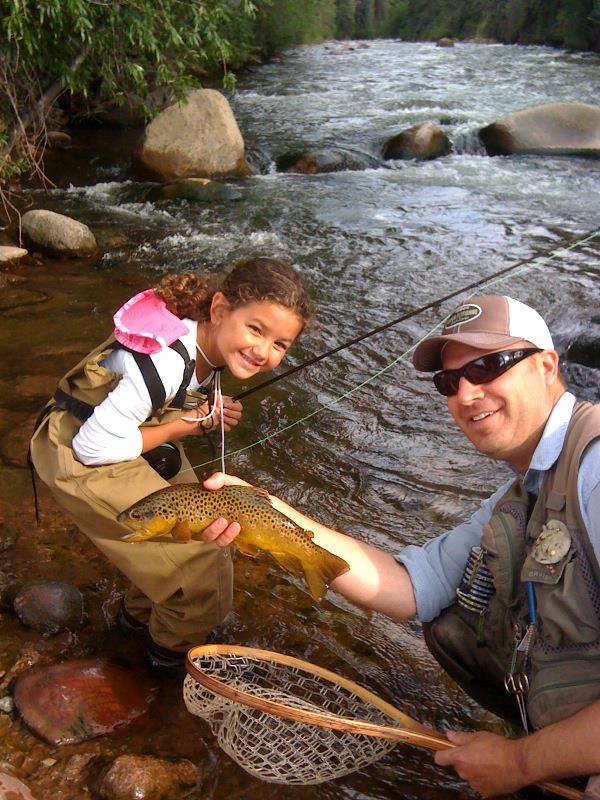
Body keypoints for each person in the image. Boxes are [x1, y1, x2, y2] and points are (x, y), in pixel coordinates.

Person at [196, 294, 600, 797]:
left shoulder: (595, 471)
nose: (467, 393)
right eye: (449, 382)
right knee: (452, 625)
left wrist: (518, 762)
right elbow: (414, 588)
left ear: (546, 366)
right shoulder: (523, 494)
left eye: (489, 365)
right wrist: (265, 513)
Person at [29, 257, 311, 672]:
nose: (264, 351)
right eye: (256, 329)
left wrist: (207, 408)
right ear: (218, 310)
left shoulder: (204, 342)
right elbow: (93, 448)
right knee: (204, 565)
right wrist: (185, 427)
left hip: (119, 433)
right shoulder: (165, 363)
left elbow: (171, 392)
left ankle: (134, 622)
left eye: (280, 344)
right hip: (78, 451)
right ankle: (161, 664)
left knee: (197, 526)